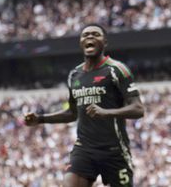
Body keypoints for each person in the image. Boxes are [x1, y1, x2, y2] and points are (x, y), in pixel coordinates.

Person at [24, 24, 145, 187]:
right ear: (81, 42)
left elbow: (138, 109)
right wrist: (40, 119)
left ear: (105, 42)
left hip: (114, 150)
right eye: (86, 35)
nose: (90, 37)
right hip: (85, 149)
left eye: (96, 34)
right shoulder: (74, 75)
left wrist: (106, 113)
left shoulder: (117, 70)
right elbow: (72, 113)